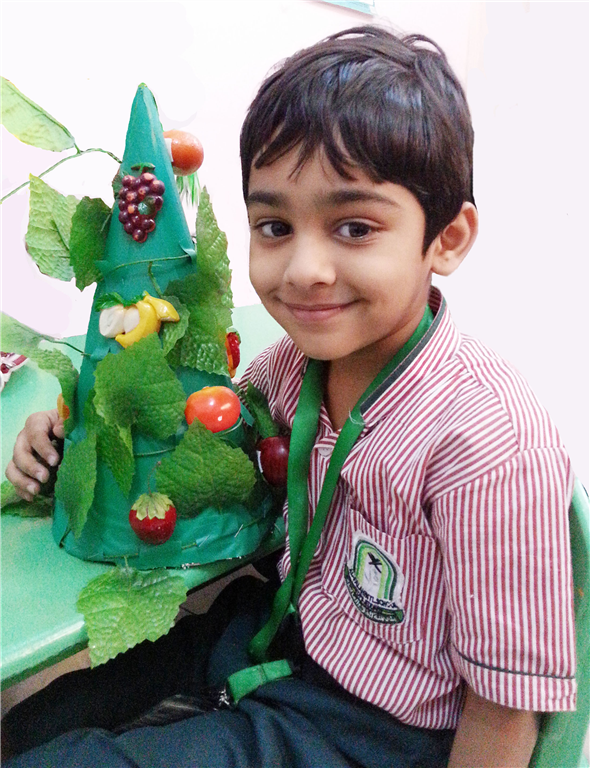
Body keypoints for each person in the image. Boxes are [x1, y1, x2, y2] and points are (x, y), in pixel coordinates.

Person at [2, 25, 576, 768]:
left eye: (355, 227)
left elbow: (505, 711)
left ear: (448, 238)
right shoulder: (293, 363)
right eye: (274, 225)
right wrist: (63, 437)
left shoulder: (490, 444)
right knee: (42, 718)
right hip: (282, 629)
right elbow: (193, 441)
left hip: (376, 723)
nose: (304, 268)